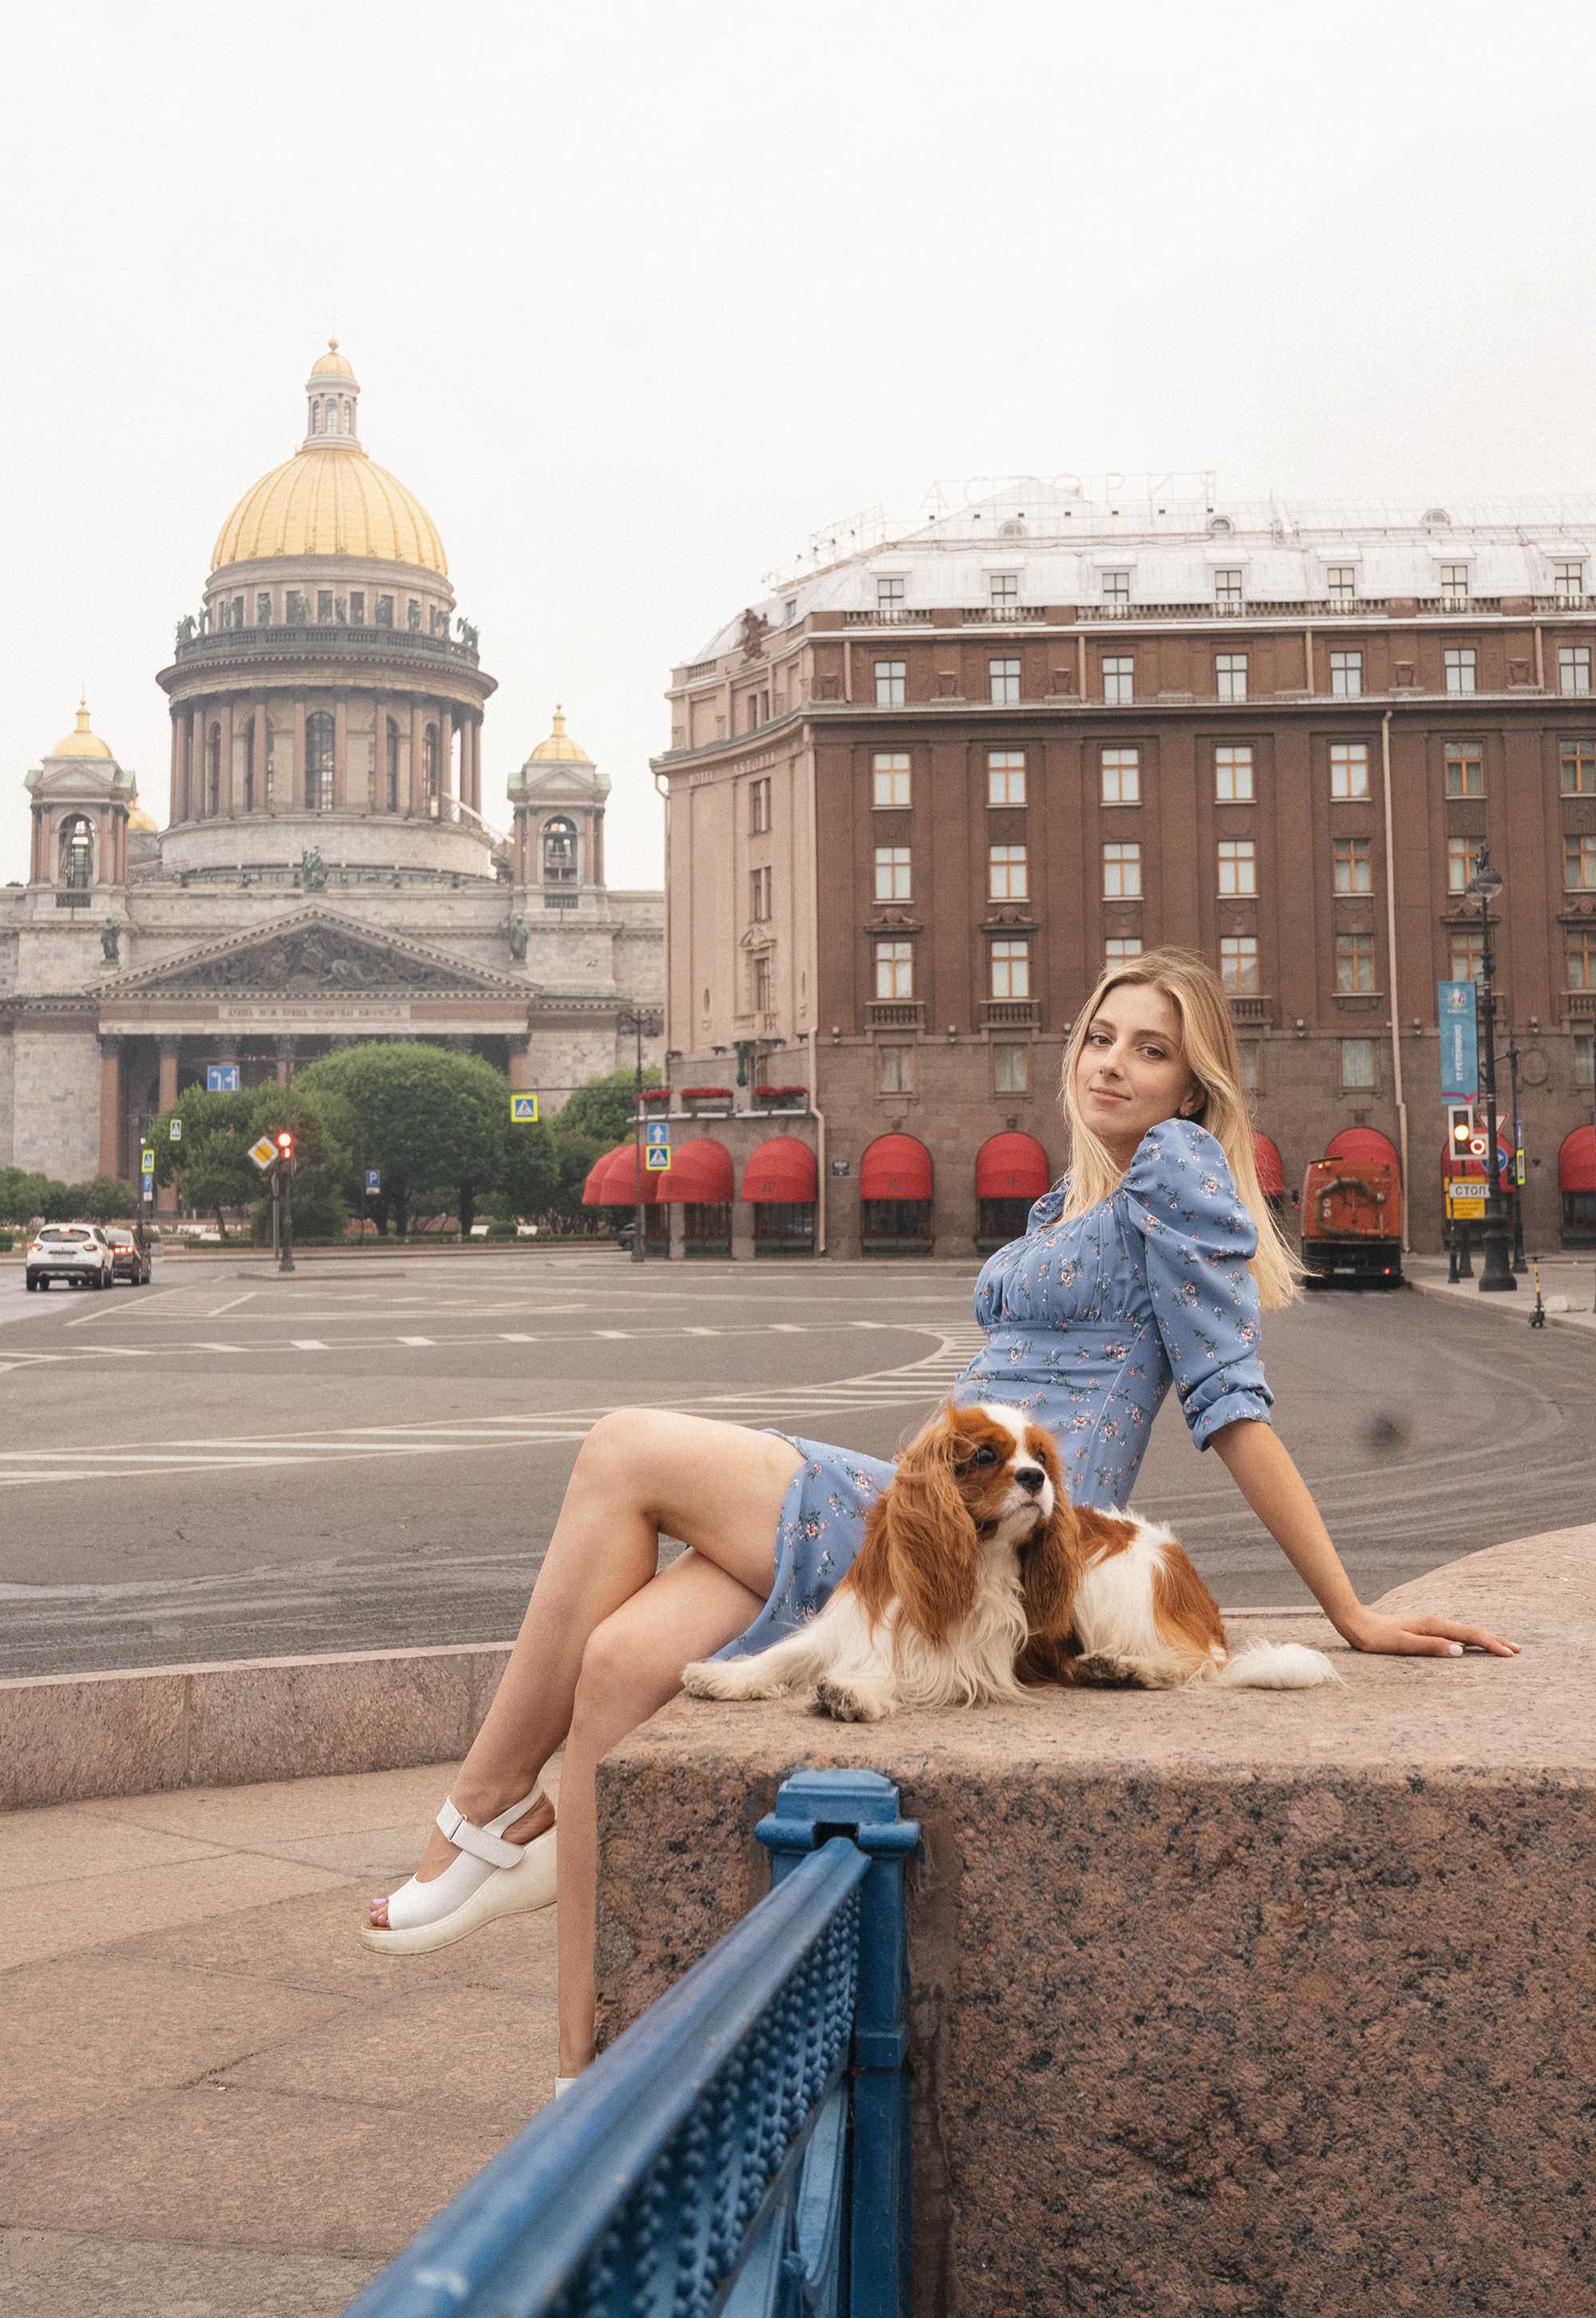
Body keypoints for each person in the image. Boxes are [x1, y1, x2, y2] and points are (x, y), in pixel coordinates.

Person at [365, 947, 1518, 2085]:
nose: (1112, 1064)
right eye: (1101, 1037)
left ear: (1192, 1087)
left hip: (994, 1536)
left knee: (623, 1448)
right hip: (924, 1510)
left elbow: (1232, 1407)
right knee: (617, 1666)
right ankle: (581, 2076)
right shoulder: (1079, 1195)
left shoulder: (1176, 1172)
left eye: (1151, 1051)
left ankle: (479, 1807)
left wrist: (1351, 1612)